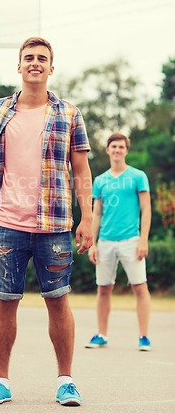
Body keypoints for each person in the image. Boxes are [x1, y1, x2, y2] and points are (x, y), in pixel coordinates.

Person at [0, 37, 93, 406]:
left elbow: (81, 169)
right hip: (7, 223)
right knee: (6, 300)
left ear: (51, 68)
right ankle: (0, 381)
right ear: (19, 65)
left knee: (58, 300)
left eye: (42, 58)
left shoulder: (70, 114)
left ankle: (65, 381)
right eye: (29, 58)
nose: (35, 63)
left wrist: (87, 217)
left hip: (55, 223)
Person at [85, 133, 152, 351]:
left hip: (131, 240)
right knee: (103, 289)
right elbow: (96, 214)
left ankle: (144, 337)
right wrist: (92, 243)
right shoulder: (100, 180)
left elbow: (146, 209)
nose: (117, 150)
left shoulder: (138, 176)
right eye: (113, 146)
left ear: (126, 150)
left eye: (121, 147)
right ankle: (101, 334)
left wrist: (143, 239)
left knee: (139, 287)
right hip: (105, 241)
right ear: (107, 150)